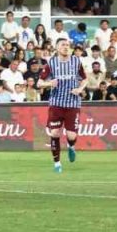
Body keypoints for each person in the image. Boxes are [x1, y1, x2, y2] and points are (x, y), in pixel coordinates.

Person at [38, 38, 87, 174]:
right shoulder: (51, 63)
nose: (66, 47)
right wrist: (49, 84)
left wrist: (80, 89)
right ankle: (57, 164)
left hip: (72, 103)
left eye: (67, 45)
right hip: (56, 103)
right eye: (63, 45)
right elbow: (39, 83)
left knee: (71, 136)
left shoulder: (76, 61)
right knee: (55, 133)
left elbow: (85, 79)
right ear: (57, 48)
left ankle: (71, 146)